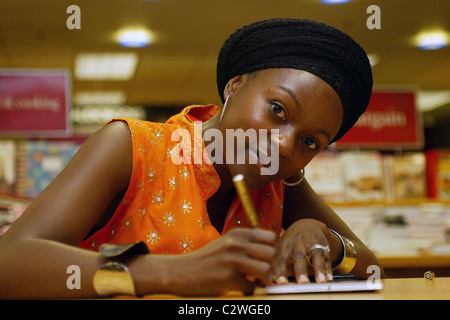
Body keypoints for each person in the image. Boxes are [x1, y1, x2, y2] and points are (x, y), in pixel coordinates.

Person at [0, 18, 383, 299]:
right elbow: (11, 262)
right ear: (235, 86)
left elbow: (371, 267)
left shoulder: (281, 180)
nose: (285, 146)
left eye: (310, 143)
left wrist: (323, 239)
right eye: (278, 111)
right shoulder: (132, 147)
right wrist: (165, 273)